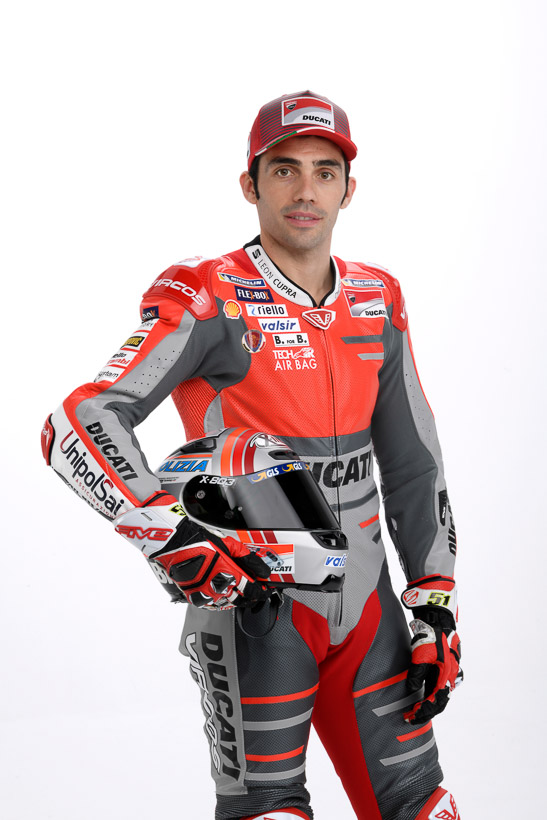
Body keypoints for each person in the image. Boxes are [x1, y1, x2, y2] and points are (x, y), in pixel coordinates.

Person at [42, 91, 463, 820]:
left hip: (369, 613)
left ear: (348, 190)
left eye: (325, 172)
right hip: (255, 609)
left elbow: (413, 462)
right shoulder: (207, 295)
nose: (305, 191)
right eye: (284, 170)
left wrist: (434, 600)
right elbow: (78, 420)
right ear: (250, 184)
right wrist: (165, 532)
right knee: (267, 812)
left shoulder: (378, 297)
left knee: (422, 808)